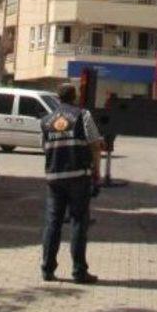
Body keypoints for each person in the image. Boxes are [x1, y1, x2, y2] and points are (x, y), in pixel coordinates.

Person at [40, 82, 102, 284]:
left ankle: (47, 269)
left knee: (53, 223)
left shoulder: (46, 120)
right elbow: (95, 144)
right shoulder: (83, 115)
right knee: (78, 222)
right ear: (75, 97)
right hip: (78, 176)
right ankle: (79, 271)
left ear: (58, 98)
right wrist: (96, 172)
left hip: (54, 178)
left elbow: (45, 147)